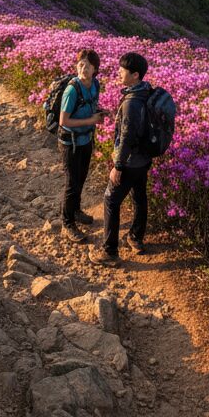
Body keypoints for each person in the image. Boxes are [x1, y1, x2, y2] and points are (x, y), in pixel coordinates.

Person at [93, 51, 152, 265]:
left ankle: (109, 252)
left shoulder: (132, 102)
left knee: (110, 200)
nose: (118, 72)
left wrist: (118, 165)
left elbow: (127, 136)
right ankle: (136, 237)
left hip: (129, 161)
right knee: (139, 197)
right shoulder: (146, 91)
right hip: (144, 158)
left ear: (135, 75)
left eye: (122, 70)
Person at [58, 48, 105, 244]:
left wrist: (101, 114)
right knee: (71, 183)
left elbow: (91, 107)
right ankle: (67, 223)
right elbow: (63, 121)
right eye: (80, 64)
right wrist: (90, 120)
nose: (82, 67)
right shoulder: (72, 90)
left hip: (86, 139)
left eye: (87, 65)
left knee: (81, 178)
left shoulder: (95, 84)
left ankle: (76, 211)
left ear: (95, 69)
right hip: (70, 143)